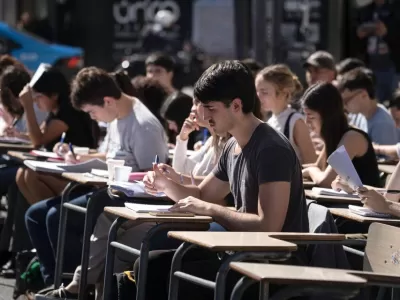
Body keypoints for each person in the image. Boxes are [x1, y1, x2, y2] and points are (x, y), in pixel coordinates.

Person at [138, 60, 308, 299]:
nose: (204, 116)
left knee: (159, 272)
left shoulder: (271, 148)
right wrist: (164, 182)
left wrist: (210, 209)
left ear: (236, 105)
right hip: (241, 256)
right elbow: (201, 195)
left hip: (272, 267)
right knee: (150, 265)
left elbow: (268, 226)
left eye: (211, 108)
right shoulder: (233, 145)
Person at [26, 67, 168, 291]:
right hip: (108, 188)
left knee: (59, 216)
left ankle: (74, 288)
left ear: (108, 101)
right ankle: (54, 282)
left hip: (133, 198)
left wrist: (110, 174)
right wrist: (81, 155)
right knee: (35, 215)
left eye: (92, 112)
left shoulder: (144, 126)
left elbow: (153, 178)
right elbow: (112, 155)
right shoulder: (117, 116)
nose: (92, 117)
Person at [302, 82, 381, 188]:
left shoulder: (352, 138)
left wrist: (310, 170)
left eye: (311, 117)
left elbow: (325, 181)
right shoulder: (333, 137)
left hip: (363, 203)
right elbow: (318, 167)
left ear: (327, 116)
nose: (306, 122)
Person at [255, 64, 317, 164]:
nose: (258, 97)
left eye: (264, 92)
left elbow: (311, 162)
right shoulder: (269, 122)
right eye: (257, 92)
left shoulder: (295, 121)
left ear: (284, 92)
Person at [338, 67, 398, 145]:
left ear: (364, 95)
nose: (344, 106)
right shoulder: (357, 114)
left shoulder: (382, 124)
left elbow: (387, 157)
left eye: (346, 101)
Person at [355, 0, 400, 102]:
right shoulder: (366, 11)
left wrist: (387, 32)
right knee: (374, 102)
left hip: (394, 67)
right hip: (372, 66)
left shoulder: (396, 8)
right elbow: (356, 35)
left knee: (396, 103)